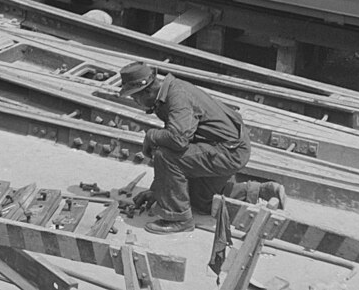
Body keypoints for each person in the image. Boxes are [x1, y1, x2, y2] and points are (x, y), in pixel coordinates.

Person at [115, 62, 277, 234]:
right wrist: (158, 191)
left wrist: (151, 136)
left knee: (165, 154)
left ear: (147, 91)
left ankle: (179, 219)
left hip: (229, 152)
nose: (135, 102)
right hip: (226, 147)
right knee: (200, 202)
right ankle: (258, 191)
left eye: (135, 97)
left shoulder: (177, 98)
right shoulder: (169, 92)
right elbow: (184, 136)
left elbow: (178, 140)